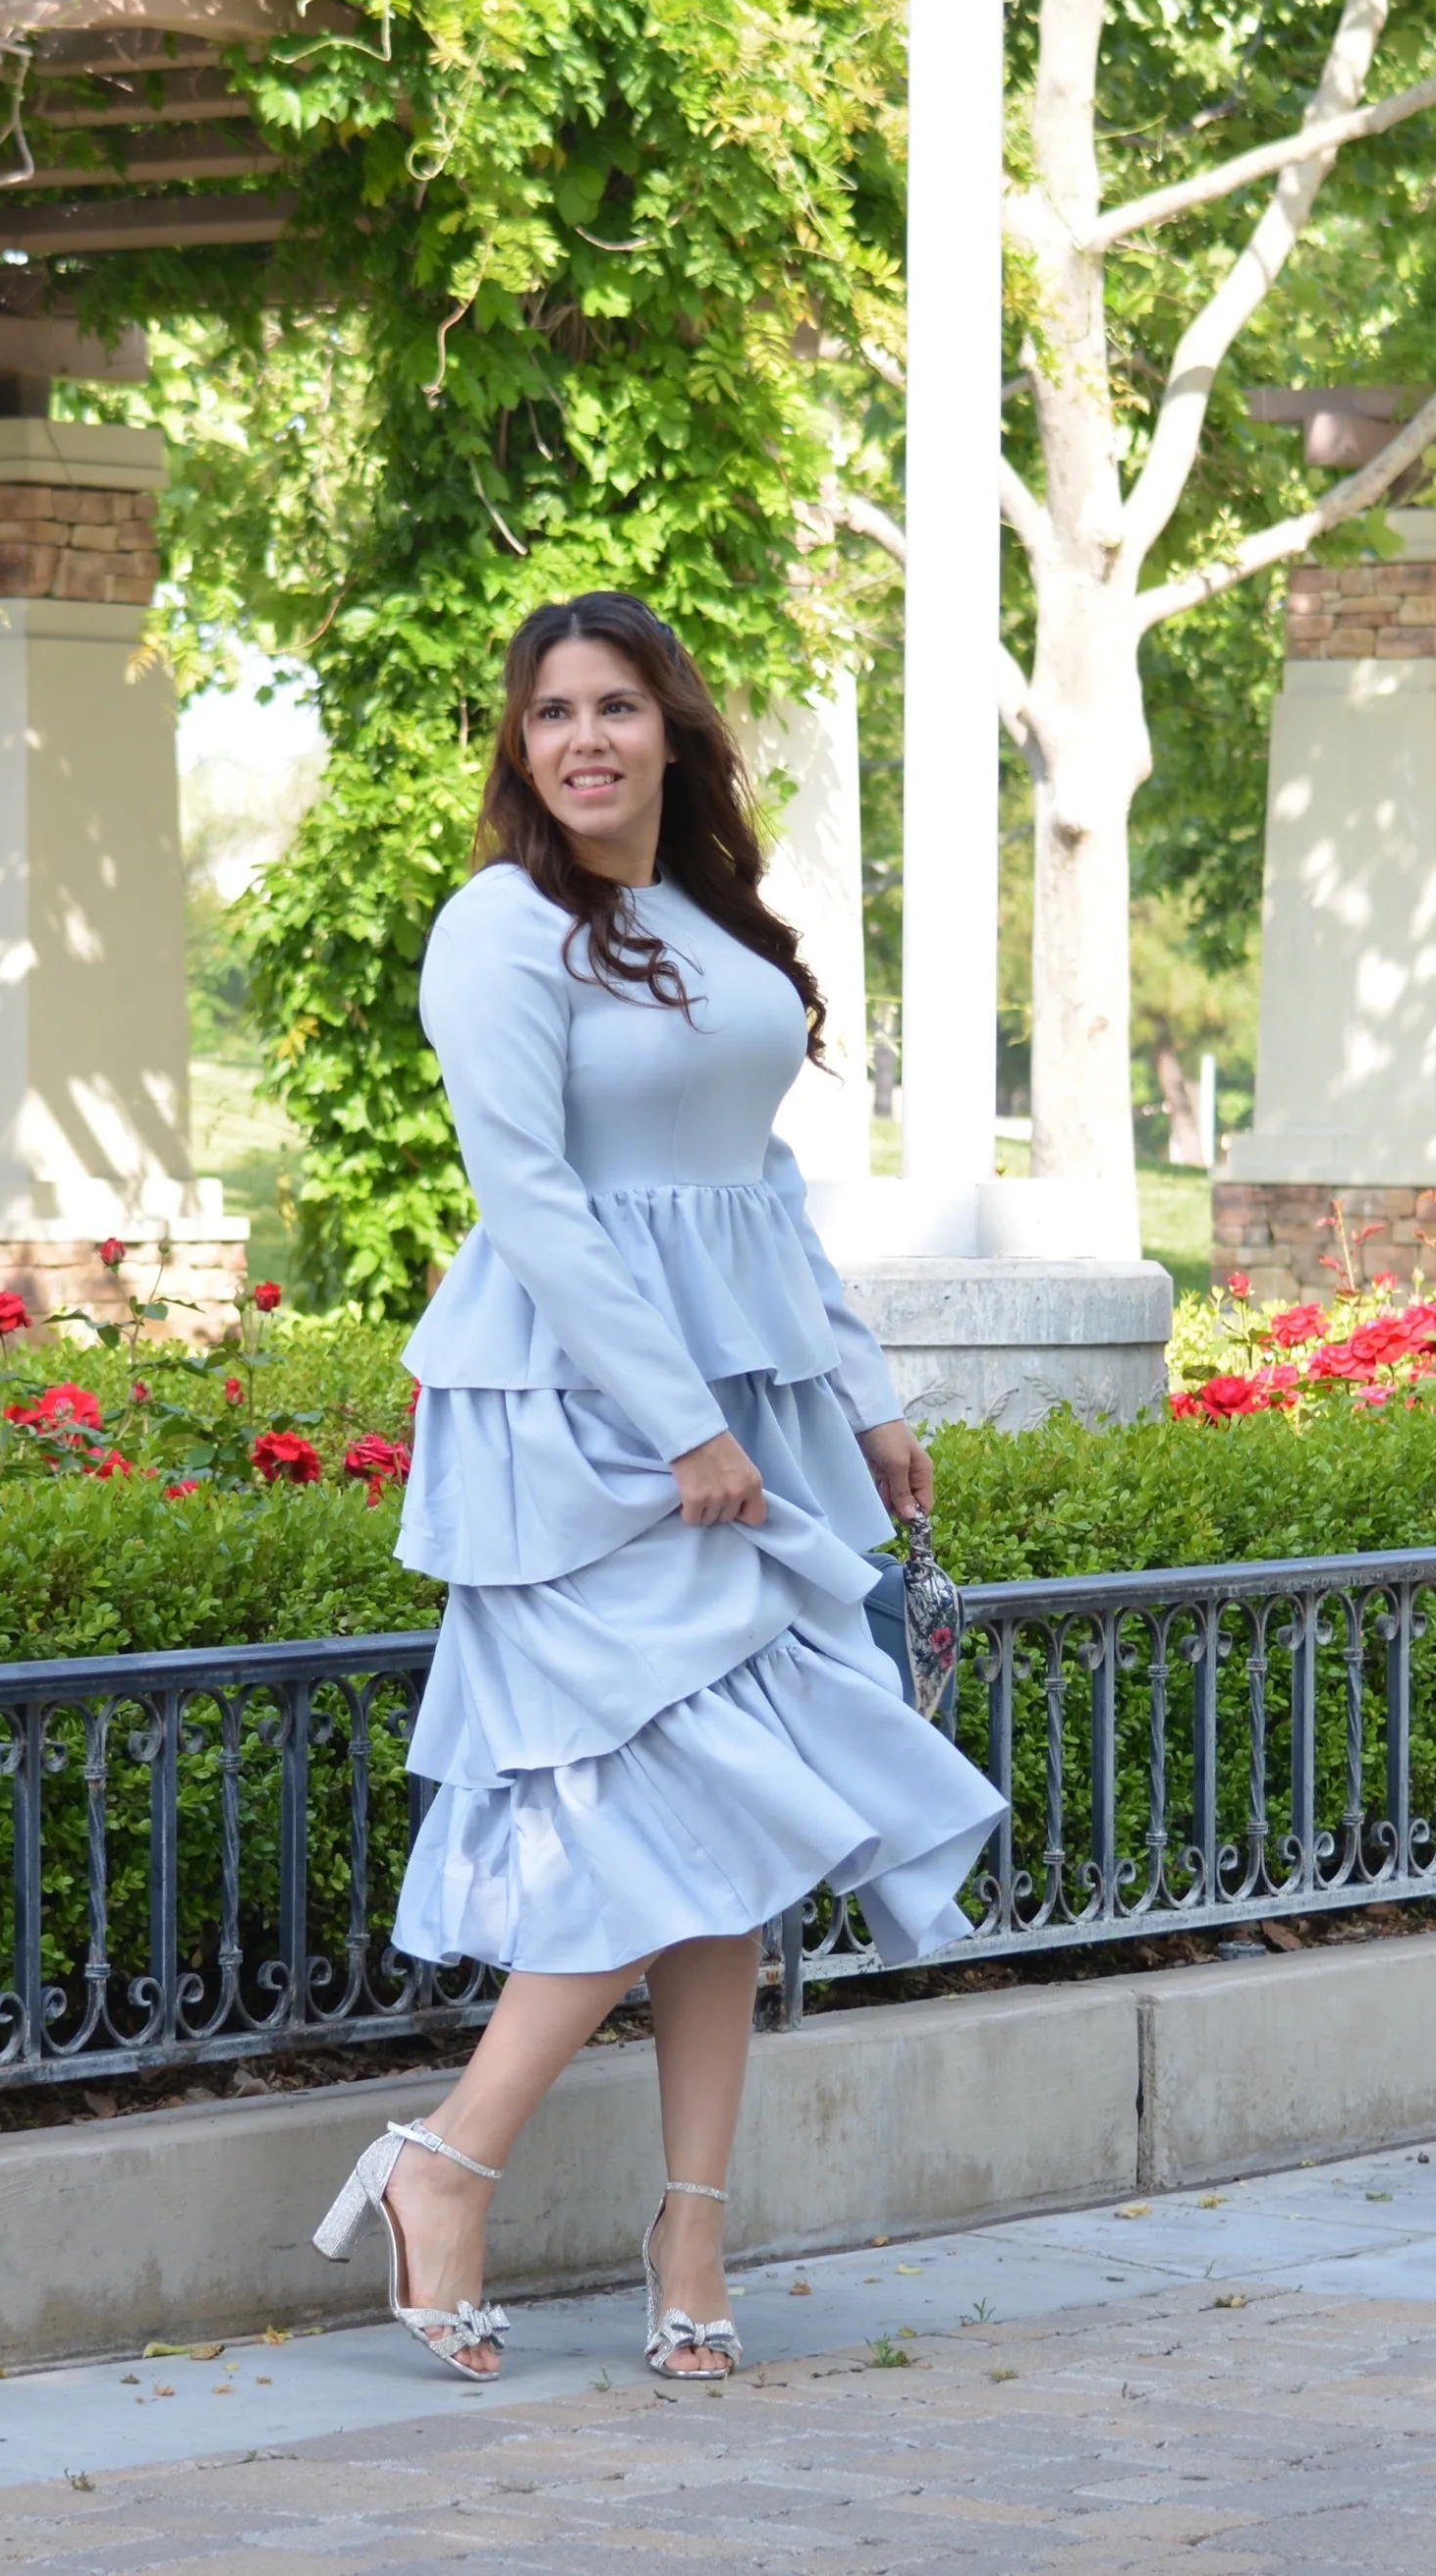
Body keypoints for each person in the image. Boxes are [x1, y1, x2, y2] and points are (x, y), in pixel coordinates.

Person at [308, 591, 1006, 2384]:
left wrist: (860, 1397)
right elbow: (532, 1200)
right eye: (554, 713)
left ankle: (691, 2227)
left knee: (739, 1826)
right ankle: (445, 2163)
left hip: (748, 1409)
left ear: (675, 730)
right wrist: (684, 1418)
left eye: (619, 705)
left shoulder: (708, 927)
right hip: (586, 1415)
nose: (587, 738)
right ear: (522, 747)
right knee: (655, 1802)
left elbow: (765, 1183)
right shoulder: (499, 927)